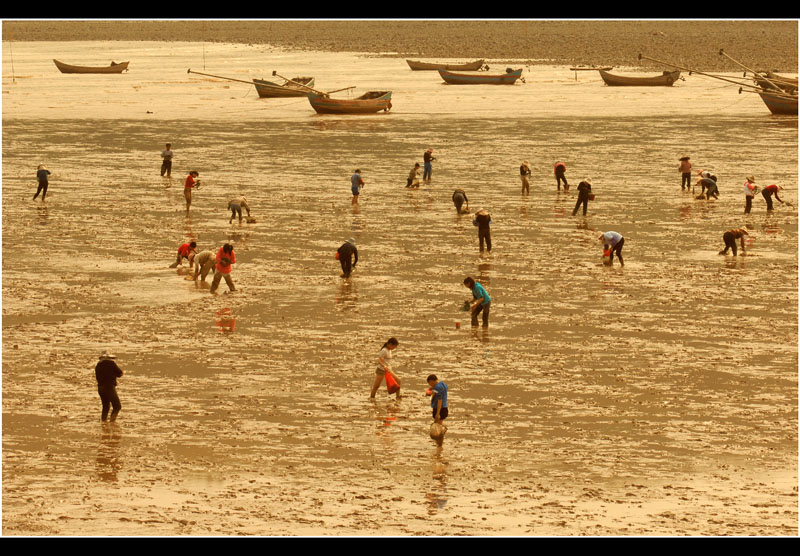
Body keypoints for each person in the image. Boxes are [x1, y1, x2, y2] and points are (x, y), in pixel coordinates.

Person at [95, 351, 123, 422]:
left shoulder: (98, 365)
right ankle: (112, 423)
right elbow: (120, 373)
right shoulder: (111, 363)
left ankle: (104, 423)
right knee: (117, 406)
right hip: (109, 387)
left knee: (105, 407)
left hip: (100, 388)